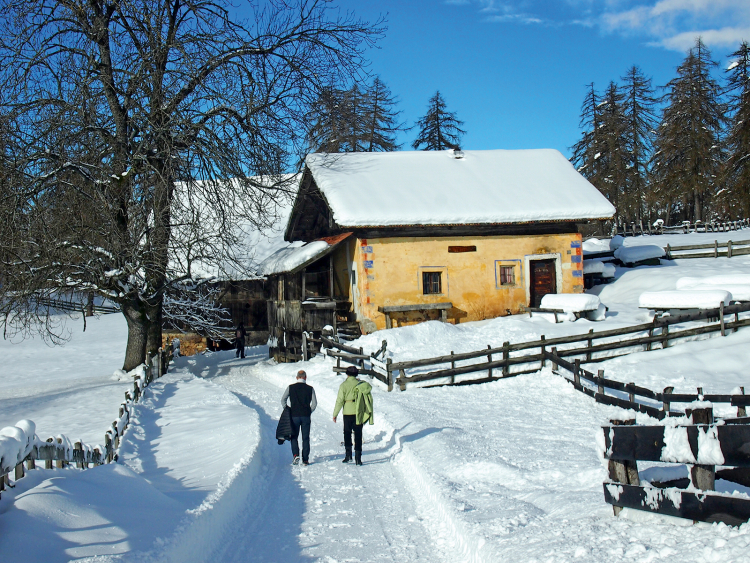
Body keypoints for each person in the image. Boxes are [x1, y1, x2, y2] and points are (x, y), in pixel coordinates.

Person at [333, 365, 371, 466]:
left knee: (347, 433)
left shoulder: (343, 385)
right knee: (358, 434)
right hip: (359, 412)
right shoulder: (360, 384)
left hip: (347, 412)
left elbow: (340, 400)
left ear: (347, 374)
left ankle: (348, 455)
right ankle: (358, 458)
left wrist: (335, 414)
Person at [281, 370, 317, 465]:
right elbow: (314, 404)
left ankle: (295, 454)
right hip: (306, 416)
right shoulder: (310, 389)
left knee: (294, 436)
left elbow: (283, 400)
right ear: (305, 377)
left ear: (297, 377)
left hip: (294, 415)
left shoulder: (291, 387)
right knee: (305, 438)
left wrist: (288, 409)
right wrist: (309, 411)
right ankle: (305, 459)